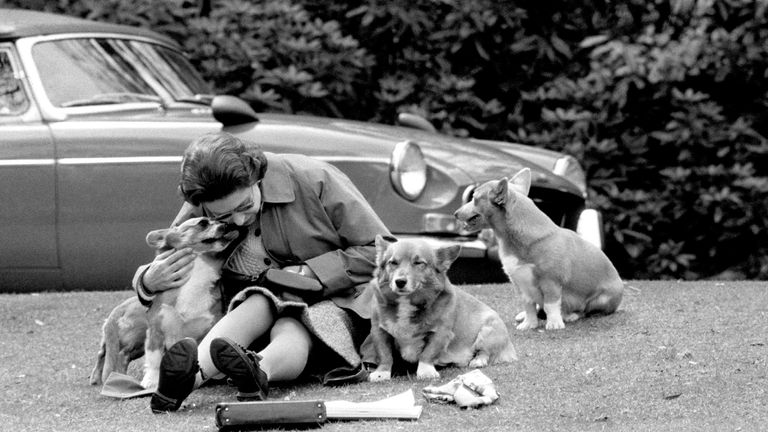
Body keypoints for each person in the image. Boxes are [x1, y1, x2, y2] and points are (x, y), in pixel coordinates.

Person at [132, 131, 392, 413]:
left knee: (294, 324)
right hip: (252, 307)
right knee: (259, 300)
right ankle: (185, 380)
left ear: (257, 176)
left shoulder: (314, 178)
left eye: (245, 206)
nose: (239, 220)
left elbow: (382, 250)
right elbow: (169, 254)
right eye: (223, 217)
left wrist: (310, 272)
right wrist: (146, 282)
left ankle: (258, 369)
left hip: (334, 299)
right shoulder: (205, 199)